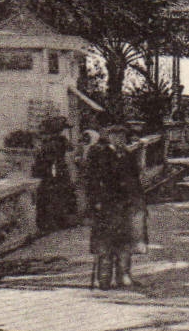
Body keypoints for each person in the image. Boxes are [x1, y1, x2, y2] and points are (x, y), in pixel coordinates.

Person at [85, 124, 143, 289]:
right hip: (106, 205)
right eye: (116, 136)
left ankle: (123, 276)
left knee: (125, 241)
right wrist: (96, 202)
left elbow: (134, 179)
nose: (120, 140)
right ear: (109, 137)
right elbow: (92, 181)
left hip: (125, 205)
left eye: (122, 137)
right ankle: (104, 278)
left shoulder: (128, 155)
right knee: (105, 242)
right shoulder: (101, 155)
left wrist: (137, 200)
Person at [32, 116, 74, 233]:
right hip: (52, 172)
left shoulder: (52, 142)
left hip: (52, 172)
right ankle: (54, 221)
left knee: (55, 196)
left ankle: (54, 221)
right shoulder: (56, 142)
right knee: (54, 196)